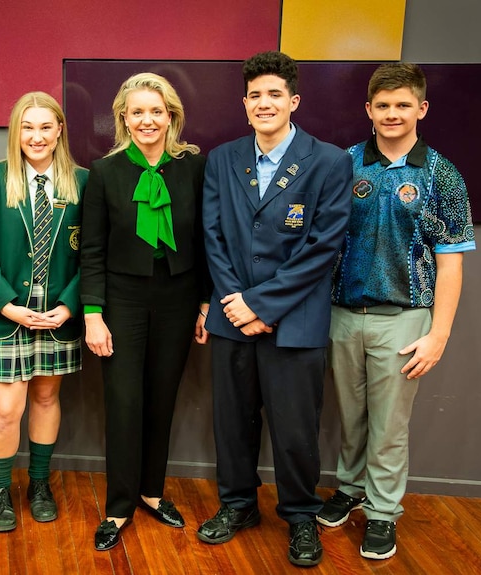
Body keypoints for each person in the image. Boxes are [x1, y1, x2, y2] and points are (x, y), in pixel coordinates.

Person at [198, 51, 352, 567]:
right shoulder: (222, 158)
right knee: (233, 423)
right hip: (231, 316)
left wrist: (263, 305)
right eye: (255, 96)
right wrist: (238, 305)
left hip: (295, 322)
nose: (264, 103)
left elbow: (323, 246)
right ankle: (239, 505)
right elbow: (213, 237)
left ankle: (301, 516)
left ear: (294, 101)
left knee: (295, 429)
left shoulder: (329, 161)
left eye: (274, 95)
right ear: (244, 104)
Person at [317, 63, 476, 560]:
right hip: (342, 313)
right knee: (351, 415)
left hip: (404, 318)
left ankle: (383, 513)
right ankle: (350, 488)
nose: (392, 113)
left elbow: (450, 264)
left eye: (403, 104)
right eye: (382, 105)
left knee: (389, 427)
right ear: (368, 110)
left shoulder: (442, 174)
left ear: (421, 109)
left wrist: (439, 334)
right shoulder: (343, 165)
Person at [81, 72, 211, 551]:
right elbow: (91, 250)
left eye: (157, 111)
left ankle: (152, 493)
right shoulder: (105, 172)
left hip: (178, 297)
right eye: (137, 112)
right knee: (124, 401)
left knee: (162, 398)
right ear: (123, 119)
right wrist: (93, 314)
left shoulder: (194, 167)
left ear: (171, 116)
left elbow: (204, 242)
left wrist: (204, 302)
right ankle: (118, 506)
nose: (147, 119)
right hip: (122, 300)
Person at [0, 91, 87, 532]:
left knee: (47, 398)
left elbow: (92, 255)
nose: (36, 136)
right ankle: (0, 490)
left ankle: (38, 485)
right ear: (16, 131)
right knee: (6, 411)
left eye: (45, 127)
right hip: (5, 318)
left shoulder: (82, 182)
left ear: (59, 132)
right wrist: (8, 306)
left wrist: (69, 306)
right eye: (27, 127)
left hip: (56, 321)